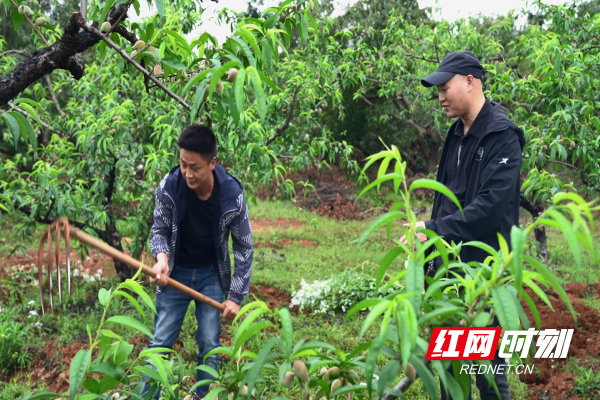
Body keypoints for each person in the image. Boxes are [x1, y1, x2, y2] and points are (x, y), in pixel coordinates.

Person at [400, 51, 525, 400]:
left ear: (470, 82)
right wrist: (429, 258)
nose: (439, 96)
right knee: (451, 376)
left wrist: (433, 228)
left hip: (485, 276)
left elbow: (489, 208)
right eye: (437, 89)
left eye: (445, 86)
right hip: (450, 273)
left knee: (484, 373)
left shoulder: (502, 135)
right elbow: (446, 200)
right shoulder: (456, 133)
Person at [144, 124, 254, 398]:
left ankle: (202, 395)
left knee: (209, 342)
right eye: (183, 164)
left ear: (213, 163)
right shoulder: (170, 185)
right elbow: (159, 230)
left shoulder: (232, 196)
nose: (188, 173)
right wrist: (161, 260)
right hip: (175, 271)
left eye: (195, 167)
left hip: (211, 275)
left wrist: (236, 297)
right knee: (160, 342)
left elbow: (244, 248)